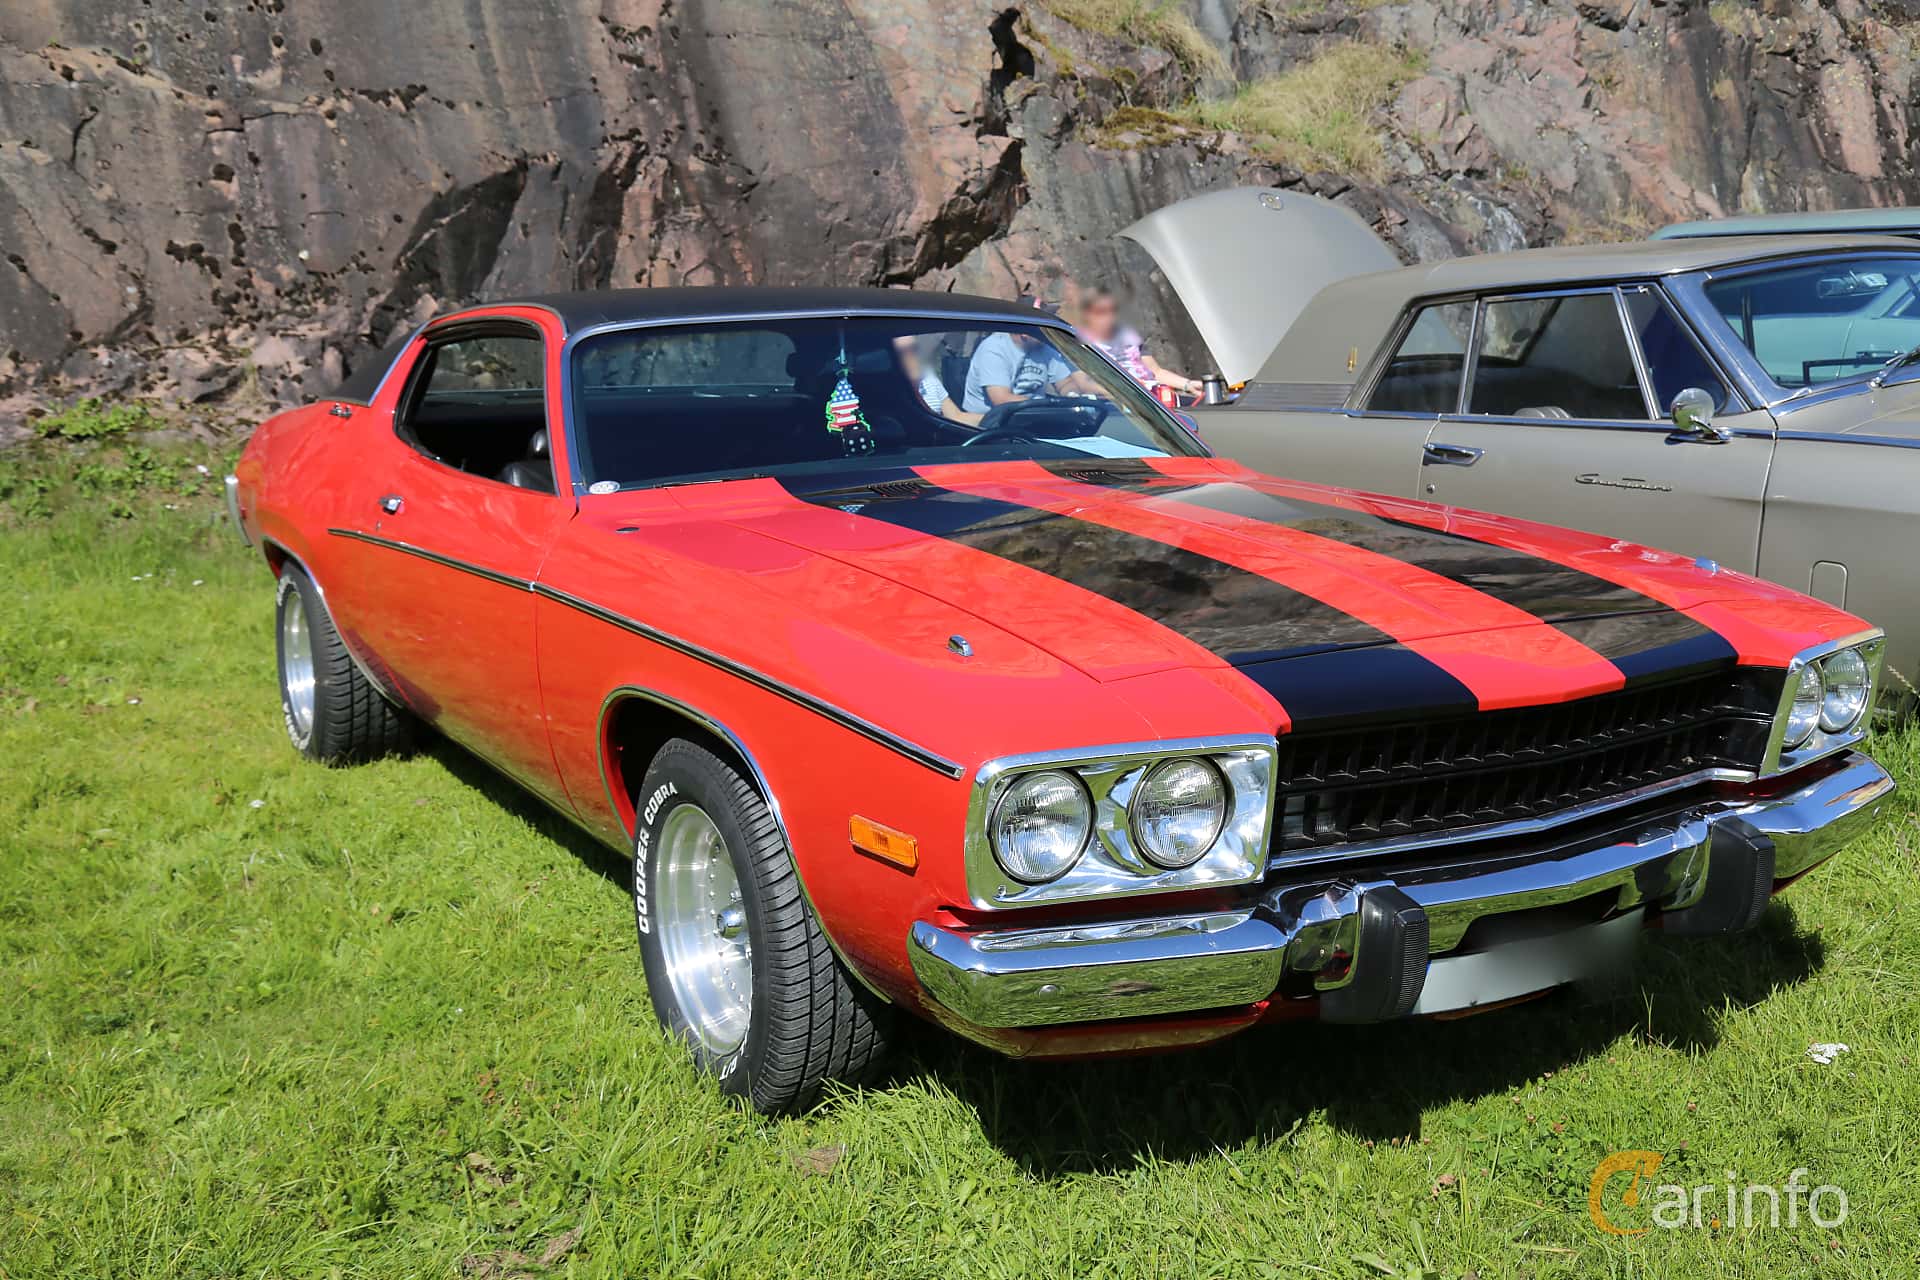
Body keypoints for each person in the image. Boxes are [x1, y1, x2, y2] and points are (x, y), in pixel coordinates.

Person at [1076, 287, 1201, 400]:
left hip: (1150, 395)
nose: (1108, 317)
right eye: (1101, 311)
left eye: (1112, 310)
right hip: (1117, 401)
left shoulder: (1128, 336)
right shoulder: (1079, 341)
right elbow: (1084, 384)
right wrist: (1127, 391)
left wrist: (1187, 384)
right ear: (1088, 314)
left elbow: (1156, 372)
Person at [961, 296, 1082, 414]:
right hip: (988, 423)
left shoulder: (1044, 347)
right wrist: (1049, 406)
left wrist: (1071, 395)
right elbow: (1001, 400)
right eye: (1043, 324)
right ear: (1025, 332)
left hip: (1032, 416)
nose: (1048, 328)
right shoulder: (993, 349)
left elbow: (1066, 383)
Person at [891, 335, 981, 426]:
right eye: (904, 353)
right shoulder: (888, 393)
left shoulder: (928, 378)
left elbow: (956, 416)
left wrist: (992, 418)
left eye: (915, 349)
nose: (915, 357)